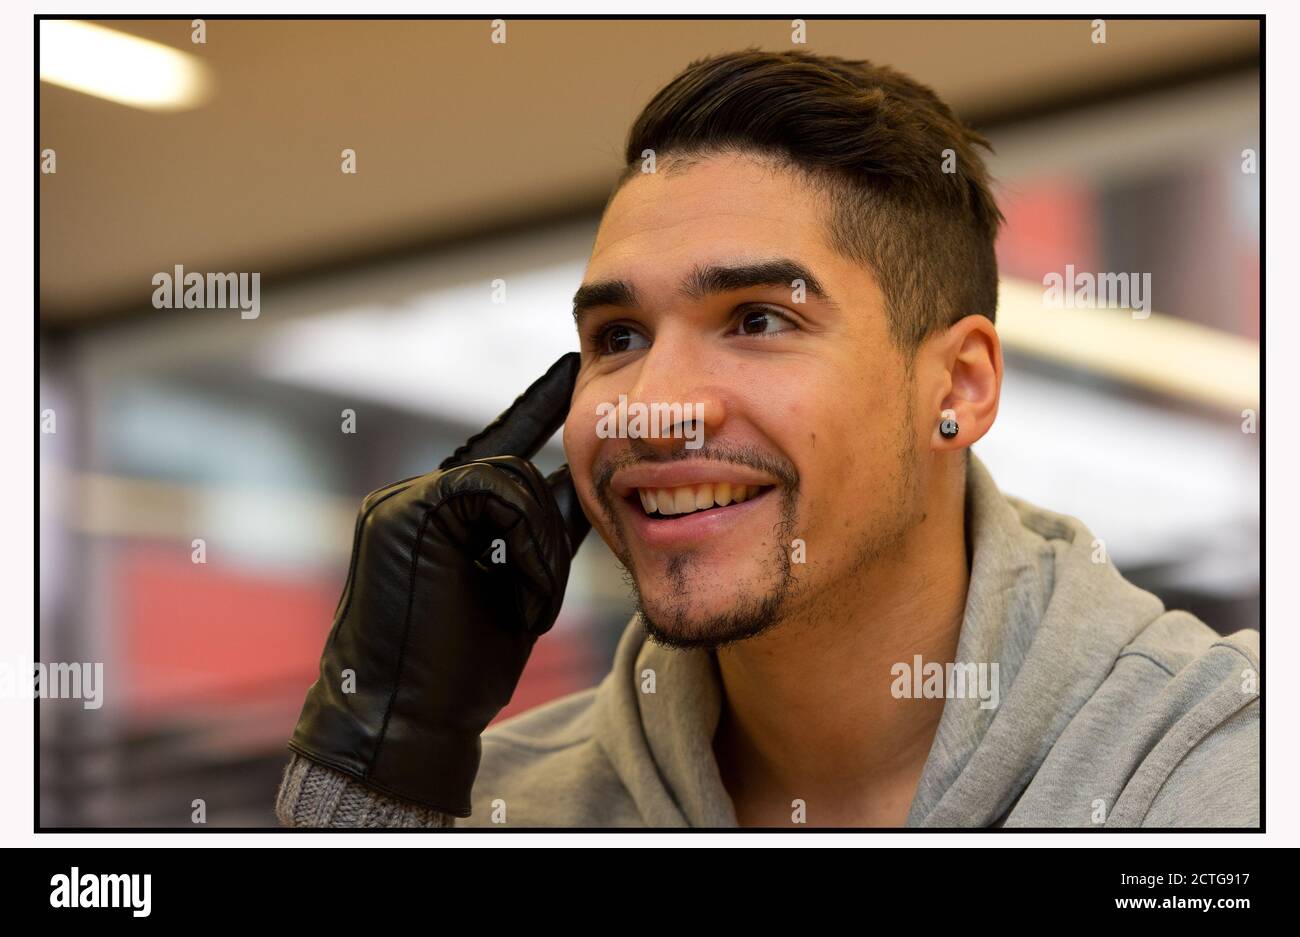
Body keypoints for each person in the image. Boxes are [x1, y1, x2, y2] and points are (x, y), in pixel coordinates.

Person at [275, 49, 1259, 828]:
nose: (653, 407)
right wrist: (379, 771)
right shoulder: (495, 807)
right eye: (618, 338)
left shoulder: (1219, 772)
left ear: (956, 386)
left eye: (757, 320)